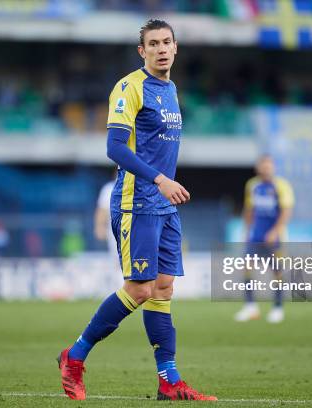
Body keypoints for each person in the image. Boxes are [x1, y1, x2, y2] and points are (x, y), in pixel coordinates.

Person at [57, 19, 217, 401]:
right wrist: (160, 179)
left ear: (176, 48)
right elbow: (114, 148)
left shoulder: (171, 88)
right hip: (136, 202)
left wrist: (164, 187)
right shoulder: (130, 87)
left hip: (164, 207)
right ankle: (74, 356)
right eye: (153, 43)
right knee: (140, 289)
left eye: (167, 42)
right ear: (141, 51)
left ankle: (169, 380)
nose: (161, 48)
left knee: (163, 289)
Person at [234, 155, 294, 323]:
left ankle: (277, 308)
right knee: (246, 266)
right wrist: (247, 230)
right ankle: (250, 307)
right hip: (256, 235)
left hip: (275, 236)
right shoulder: (252, 185)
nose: (266, 168)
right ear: (258, 168)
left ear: (273, 167)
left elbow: (286, 210)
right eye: (263, 165)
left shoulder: (281, 185)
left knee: (277, 271)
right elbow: (249, 209)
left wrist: (275, 231)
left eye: (269, 165)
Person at [94, 170, 120, 292]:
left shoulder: (137, 186)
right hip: (115, 229)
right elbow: (102, 209)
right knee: (117, 260)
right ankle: (117, 289)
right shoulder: (109, 188)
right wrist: (99, 226)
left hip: (135, 229)